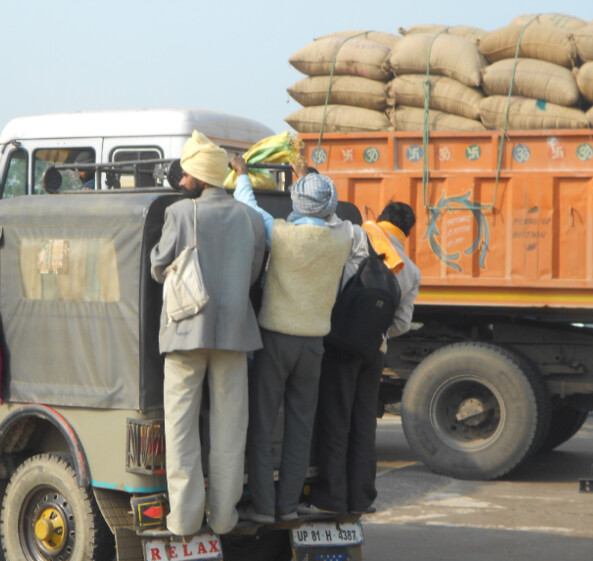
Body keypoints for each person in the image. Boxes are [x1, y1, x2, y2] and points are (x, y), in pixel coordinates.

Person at [150, 130, 266, 536]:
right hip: (235, 334)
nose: (181, 183)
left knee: (181, 429)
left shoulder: (181, 214)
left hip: (185, 334)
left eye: (185, 176)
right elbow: (252, 276)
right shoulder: (252, 219)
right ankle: (223, 518)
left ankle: (183, 519)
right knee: (230, 429)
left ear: (199, 176)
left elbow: (158, 265)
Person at [230, 155, 351, 524]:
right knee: (301, 428)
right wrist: (309, 178)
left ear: (295, 202)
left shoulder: (280, 232)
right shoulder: (342, 236)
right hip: (314, 345)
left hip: (276, 341)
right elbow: (331, 209)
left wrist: (243, 176)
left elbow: (248, 209)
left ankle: (264, 507)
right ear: (329, 205)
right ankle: (288, 504)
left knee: (263, 426)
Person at [306, 202, 421, 517]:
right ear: (406, 232)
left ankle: (331, 496)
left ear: (381, 218)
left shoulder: (358, 235)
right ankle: (362, 497)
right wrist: (373, 332)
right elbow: (401, 324)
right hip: (374, 351)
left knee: (335, 418)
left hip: (339, 345)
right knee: (363, 423)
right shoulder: (409, 269)